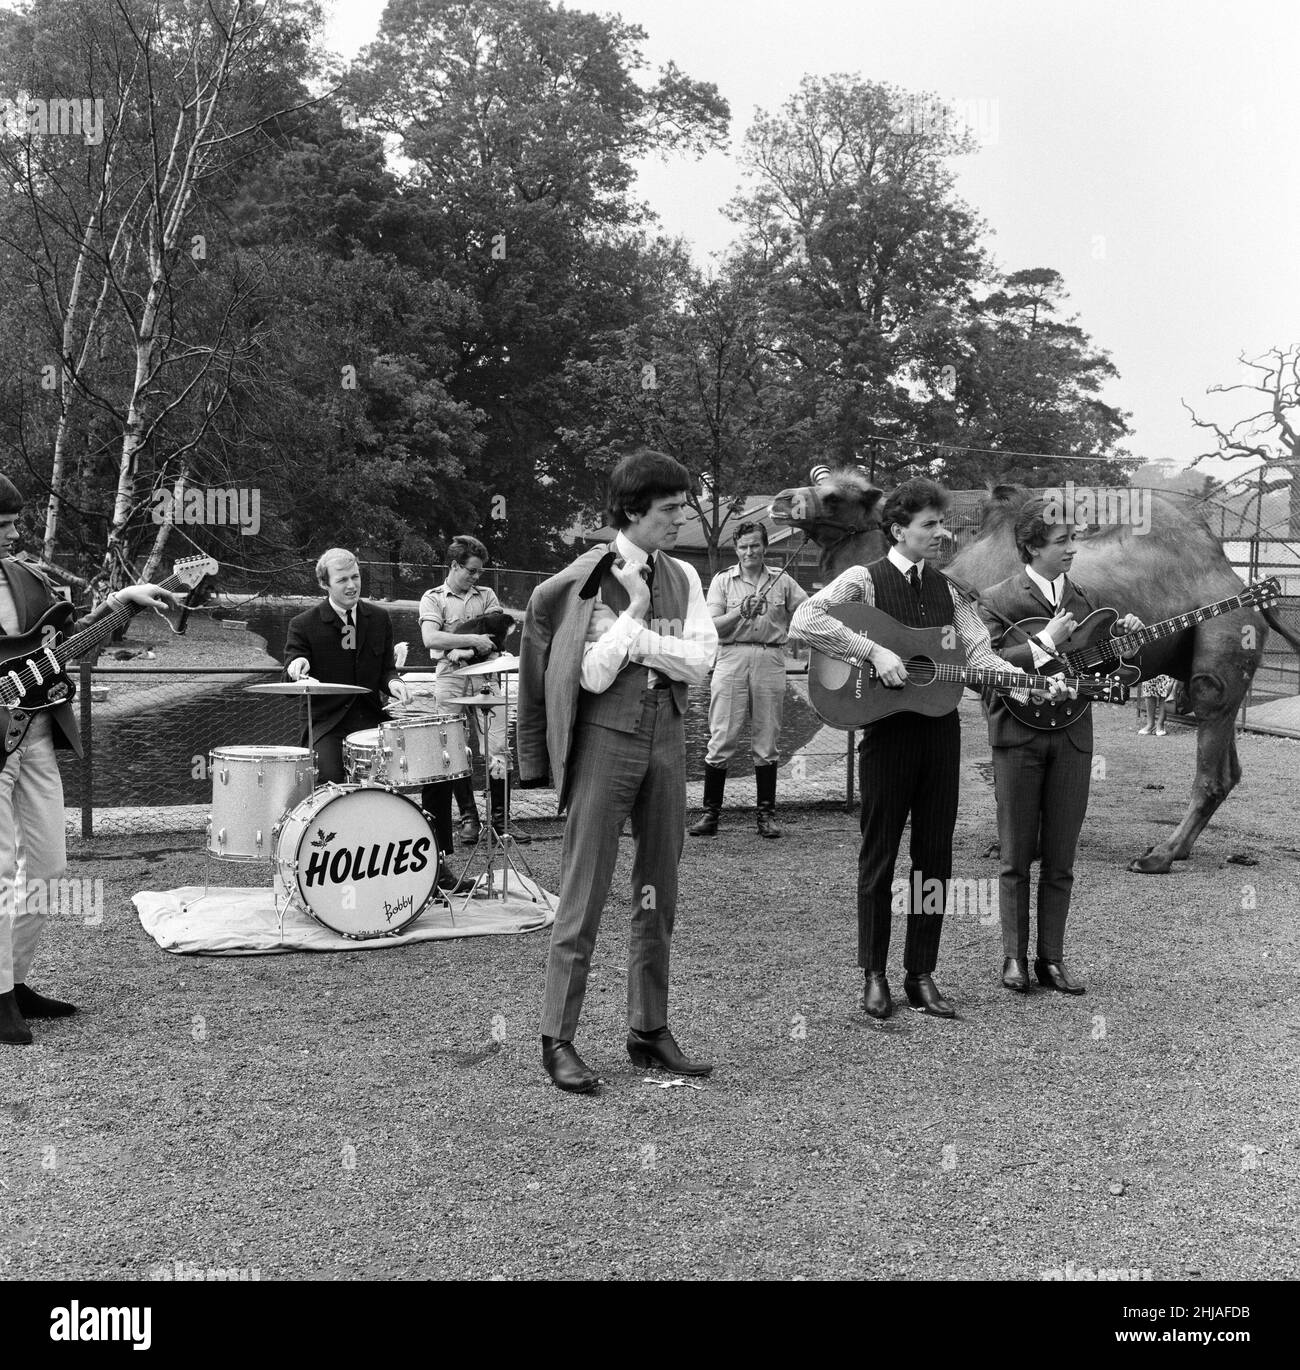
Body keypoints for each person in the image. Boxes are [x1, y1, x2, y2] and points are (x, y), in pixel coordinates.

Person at [791, 477, 1062, 1022]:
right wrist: (874, 650)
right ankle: (874, 974)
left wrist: (1034, 679)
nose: (941, 534)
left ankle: (921, 974)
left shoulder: (952, 591)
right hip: (887, 734)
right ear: (898, 530)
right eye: (929, 526)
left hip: (940, 734)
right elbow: (806, 619)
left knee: (934, 858)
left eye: (942, 524)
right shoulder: (862, 580)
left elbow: (981, 661)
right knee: (880, 854)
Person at [518, 449, 717, 1093]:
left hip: (667, 737)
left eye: (683, 506)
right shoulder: (584, 580)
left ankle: (648, 1029)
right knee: (586, 890)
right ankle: (558, 1038)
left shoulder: (685, 575)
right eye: (669, 509)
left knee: (658, 889)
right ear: (632, 512)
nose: (680, 518)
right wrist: (632, 613)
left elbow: (702, 663)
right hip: (605, 737)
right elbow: (590, 674)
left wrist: (636, 640)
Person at [0, 475, 180, 1044]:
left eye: (13, 522)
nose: (13, 531)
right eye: (2, 524)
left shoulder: (24, 574)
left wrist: (121, 603)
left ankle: (15, 980)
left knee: (50, 869)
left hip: (35, 735)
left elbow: (62, 642)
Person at [979, 497, 1145, 996]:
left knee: (1061, 857)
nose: (1073, 549)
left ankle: (1051, 958)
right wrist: (1042, 643)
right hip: (1017, 737)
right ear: (1031, 546)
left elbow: (1096, 669)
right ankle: (1014, 957)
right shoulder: (997, 599)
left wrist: (1123, 653)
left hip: (1073, 739)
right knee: (1014, 855)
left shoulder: (1087, 598)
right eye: (1063, 541)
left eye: (1075, 539)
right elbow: (982, 673)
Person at [284, 549, 467, 894]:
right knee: (332, 779)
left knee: (437, 769)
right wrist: (297, 669)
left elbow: (385, 670)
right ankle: (333, 870)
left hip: (372, 719)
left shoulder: (378, 619)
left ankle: (437, 865)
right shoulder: (303, 625)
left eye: (355, 577)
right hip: (329, 723)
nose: (352, 585)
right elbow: (294, 663)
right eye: (343, 580)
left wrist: (395, 683)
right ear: (325, 584)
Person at [689, 521, 807, 839]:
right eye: (743, 547)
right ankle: (711, 814)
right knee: (721, 736)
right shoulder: (723, 581)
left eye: (755, 545)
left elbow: (809, 612)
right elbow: (712, 627)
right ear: (736, 549)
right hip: (730, 659)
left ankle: (765, 815)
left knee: (767, 740)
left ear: (764, 547)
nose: (749, 551)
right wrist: (741, 612)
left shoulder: (782, 581)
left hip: (770, 658)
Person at [418, 536, 528, 843]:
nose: (476, 577)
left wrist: (464, 642)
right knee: (453, 749)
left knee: (497, 748)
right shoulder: (433, 597)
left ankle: (501, 820)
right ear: (454, 565)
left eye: (480, 572)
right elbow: (430, 638)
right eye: (471, 571)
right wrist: (470, 641)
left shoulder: (488, 595)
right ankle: (469, 818)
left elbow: (496, 635)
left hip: (486, 677)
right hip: (450, 677)